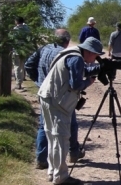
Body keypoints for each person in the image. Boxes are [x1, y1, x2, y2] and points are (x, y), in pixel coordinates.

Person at [37, 37, 104, 185]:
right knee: (61, 138)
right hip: (57, 101)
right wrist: (89, 82)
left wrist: (98, 69)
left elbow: (78, 70)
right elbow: (76, 84)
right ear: (88, 51)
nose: (96, 58)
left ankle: (53, 172)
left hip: (47, 96)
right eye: (96, 55)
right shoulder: (77, 58)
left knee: (52, 136)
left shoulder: (70, 53)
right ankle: (61, 177)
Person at [25, 29, 86, 170]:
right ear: (67, 41)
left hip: (43, 92)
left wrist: (38, 81)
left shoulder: (43, 49)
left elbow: (28, 64)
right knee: (71, 123)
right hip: (60, 95)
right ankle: (73, 153)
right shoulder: (64, 54)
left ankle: (41, 159)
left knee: (43, 125)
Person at [11, 16, 31, 90]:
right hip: (25, 49)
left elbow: (12, 39)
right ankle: (21, 80)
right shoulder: (27, 29)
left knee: (17, 67)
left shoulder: (15, 29)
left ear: (16, 21)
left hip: (17, 50)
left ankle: (18, 83)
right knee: (22, 66)